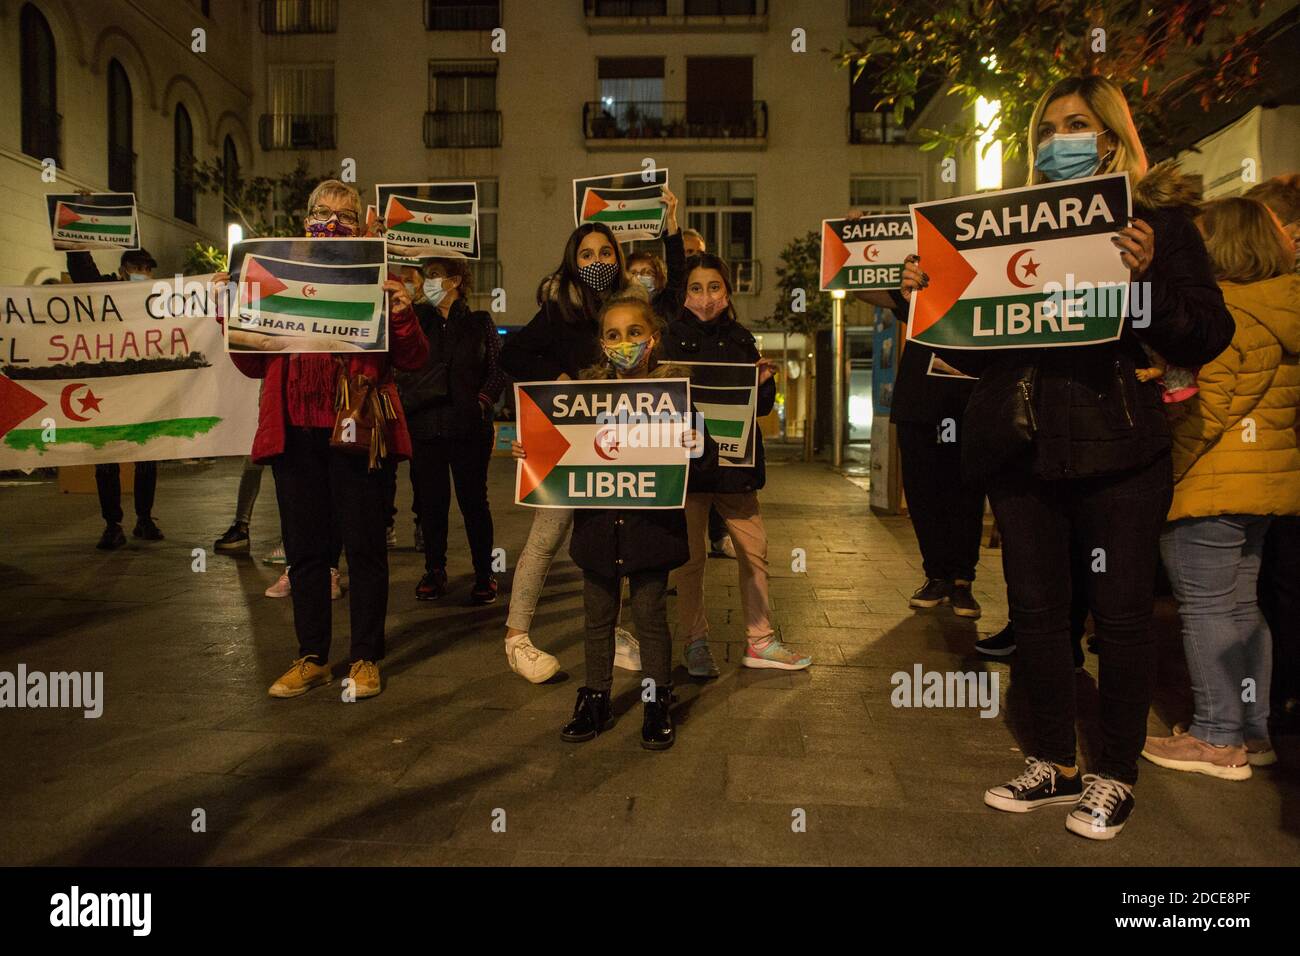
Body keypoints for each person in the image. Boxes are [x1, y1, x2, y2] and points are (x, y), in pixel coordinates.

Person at [929, 76, 1236, 840]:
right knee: (1036, 615)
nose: (1057, 140)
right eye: (1045, 129)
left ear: (1110, 137)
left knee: (1121, 616)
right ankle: (1054, 762)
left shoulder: (1158, 224)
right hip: (1023, 449)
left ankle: (1114, 773)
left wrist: (1148, 280)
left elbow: (1206, 333)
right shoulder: (1005, 230)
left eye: (1075, 124)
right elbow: (972, 355)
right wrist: (930, 302)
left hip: (1119, 448)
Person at [222, 179, 429, 701]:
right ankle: (312, 656)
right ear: (305, 218)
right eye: (321, 211)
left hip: (358, 430)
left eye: (344, 214)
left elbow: (413, 360)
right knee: (306, 552)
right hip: (295, 433)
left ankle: (364, 658)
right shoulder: (275, 275)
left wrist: (402, 311)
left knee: (364, 550)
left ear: (361, 226)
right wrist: (234, 312)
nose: (331, 221)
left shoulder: (378, 277)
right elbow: (249, 364)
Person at [1141, 197, 1299, 779]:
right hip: (1264, 485)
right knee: (1243, 606)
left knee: (1205, 607)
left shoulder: (1229, 317)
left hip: (1212, 481)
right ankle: (1252, 732)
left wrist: (1164, 471)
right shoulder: (1283, 308)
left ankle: (1215, 736)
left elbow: (1205, 410)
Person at [498, 189, 683, 683]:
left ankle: (618, 630)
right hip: (574, 441)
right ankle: (516, 636)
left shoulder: (633, 303)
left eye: (605, 252)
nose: (596, 260)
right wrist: (557, 376)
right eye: (586, 253)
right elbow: (511, 356)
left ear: (617, 258)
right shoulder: (559, 307)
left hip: (626, 438)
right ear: (572, 261)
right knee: (548, 533)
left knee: (618, 532)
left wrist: (672, 229)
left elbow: (678, 296)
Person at [514, 294, 693, 749]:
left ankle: (656, 703)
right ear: (601, 344)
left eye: (635, 333)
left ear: (653, 339)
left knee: (651, 616)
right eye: (613, 335)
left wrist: (695, 442)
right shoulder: (582, 396)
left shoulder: (675, 397)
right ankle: (595, 698)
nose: (624, 342)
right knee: (596, 617)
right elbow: (558, 452)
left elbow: (698, 460)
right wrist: (530, 451)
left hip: (650, 533)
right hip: (597, 531)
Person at [662, 252, 811, 674]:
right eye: (696, 288)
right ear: (684, 294)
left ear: (727, 292)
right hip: (689, 468)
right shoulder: (669, 339)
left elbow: (760, 409)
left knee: (755, 552)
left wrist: (767, 383)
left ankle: (760, 641)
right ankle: (695, 643)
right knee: (690, 561)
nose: (706, 297)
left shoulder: (744, 339)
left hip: (736, 469)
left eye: (714, 287)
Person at [853, 246, 984, 619]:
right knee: (923, 494)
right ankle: (937, 576)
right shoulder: (922, 278)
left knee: (965, 492)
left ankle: (962, 582)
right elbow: (858, 285)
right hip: (919, 403)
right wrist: (855, 238)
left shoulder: (987, 283)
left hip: (967, 402)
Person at [397, 256, 507, 605]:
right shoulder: (417, 321)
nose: (426, 283)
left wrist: (481, 402)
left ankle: (483, 573)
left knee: (474, 503)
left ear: (455, 281)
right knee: (430, 504)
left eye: (433, 276)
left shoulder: (479, 322)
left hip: (468, 428)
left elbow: (496, 370)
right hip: (425, 426)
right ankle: (434, 570)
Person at [1244, 174, 1300, 730]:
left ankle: (1262, 708)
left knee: (1266, 587)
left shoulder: (1259, 306)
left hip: (1264, 468)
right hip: (1277, 468)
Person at [63, 246, 165, 550]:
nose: (142, 273)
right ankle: (112, 524)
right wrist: (75, 243)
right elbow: (84, 275)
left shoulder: (157, 298)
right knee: (107, 459)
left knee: (147, 457)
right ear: (123, 269)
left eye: (147, 268)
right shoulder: (104, 292)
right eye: (137, 266)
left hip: (142, 389)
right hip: (107, 391)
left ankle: (144, 518)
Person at [672, 228, 734, 559]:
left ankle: (718, 533)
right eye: (684, 254)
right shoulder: (671, 324)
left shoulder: (736, 337)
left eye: (696, 252)